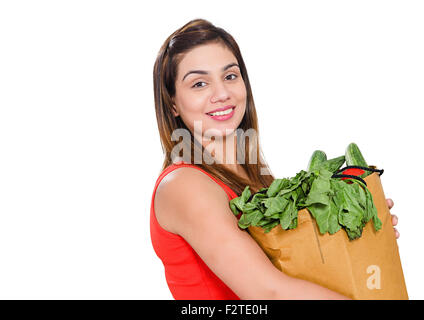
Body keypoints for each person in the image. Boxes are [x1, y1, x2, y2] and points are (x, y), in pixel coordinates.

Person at [150, 18, 400, 300]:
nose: (221, 94)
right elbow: (268, 292)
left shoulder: (258, 179)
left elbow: (300, 269)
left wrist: (359, 233)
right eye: (199, 83)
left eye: (230, 76)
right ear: (172, 103)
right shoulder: (183, 185)